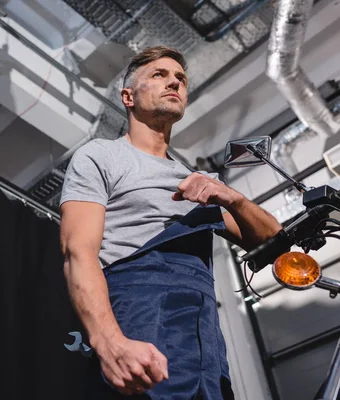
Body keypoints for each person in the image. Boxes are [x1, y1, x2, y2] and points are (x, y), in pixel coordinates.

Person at [59, 46, 282, 399]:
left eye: (180, 78)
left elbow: (273, 242)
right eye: (159, 75)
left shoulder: (202, 183)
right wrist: (110, 342)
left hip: (202, 327)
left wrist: (234, 198)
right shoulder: (102, 155)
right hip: (137, 310)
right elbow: (78, 254)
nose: (174, 82)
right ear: (128, 97)